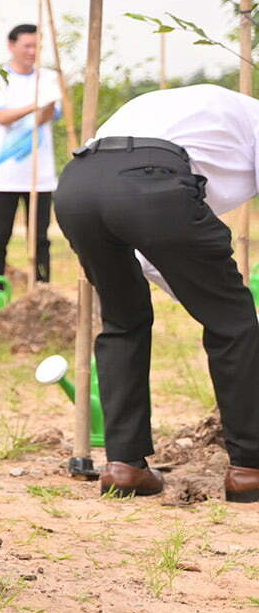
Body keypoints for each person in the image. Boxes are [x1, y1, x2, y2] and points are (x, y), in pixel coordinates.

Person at [55, 84, 259, 502]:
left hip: (77, 185)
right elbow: (153, 209)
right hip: (150, 183)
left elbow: (152, 252)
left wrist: (198, 295)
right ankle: (249, 468)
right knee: (234, 323)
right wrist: (216, 306)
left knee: (123, 320)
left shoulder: (181, 108)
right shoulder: (253, 119)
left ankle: (124, 464)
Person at [0, 24, 59, 285]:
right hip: (4, 173)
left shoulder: (48, 78)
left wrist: (49, 102)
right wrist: (35, 103)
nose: (32, 51)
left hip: (40, 173)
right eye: (27, 45)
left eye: (37, 46)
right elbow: (1, 117)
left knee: (39, 237)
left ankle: (42, 287)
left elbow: (48, 117)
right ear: (11, 45)